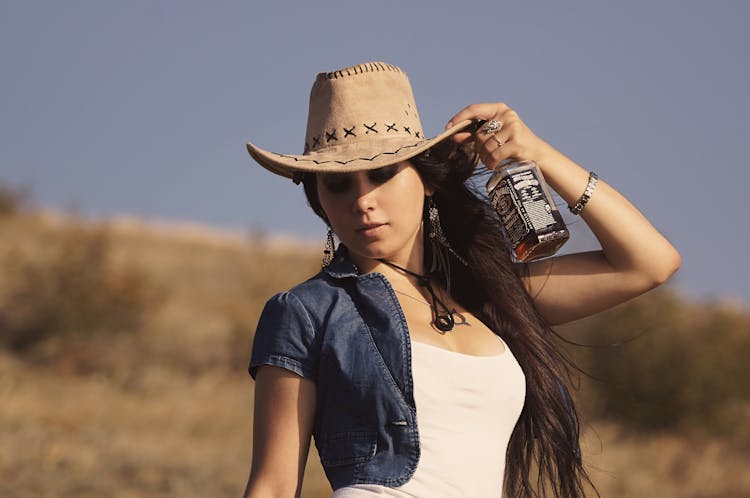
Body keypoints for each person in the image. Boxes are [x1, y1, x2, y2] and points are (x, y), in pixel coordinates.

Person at [241, 61, 681, 498]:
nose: (363, 201)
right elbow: (274, 486)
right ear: (317, 197)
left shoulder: (492, 297)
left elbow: (648, 262)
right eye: (338, 184)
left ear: (427, 180)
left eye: (382, 173)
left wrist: (538, 154)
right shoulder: (306, 312)